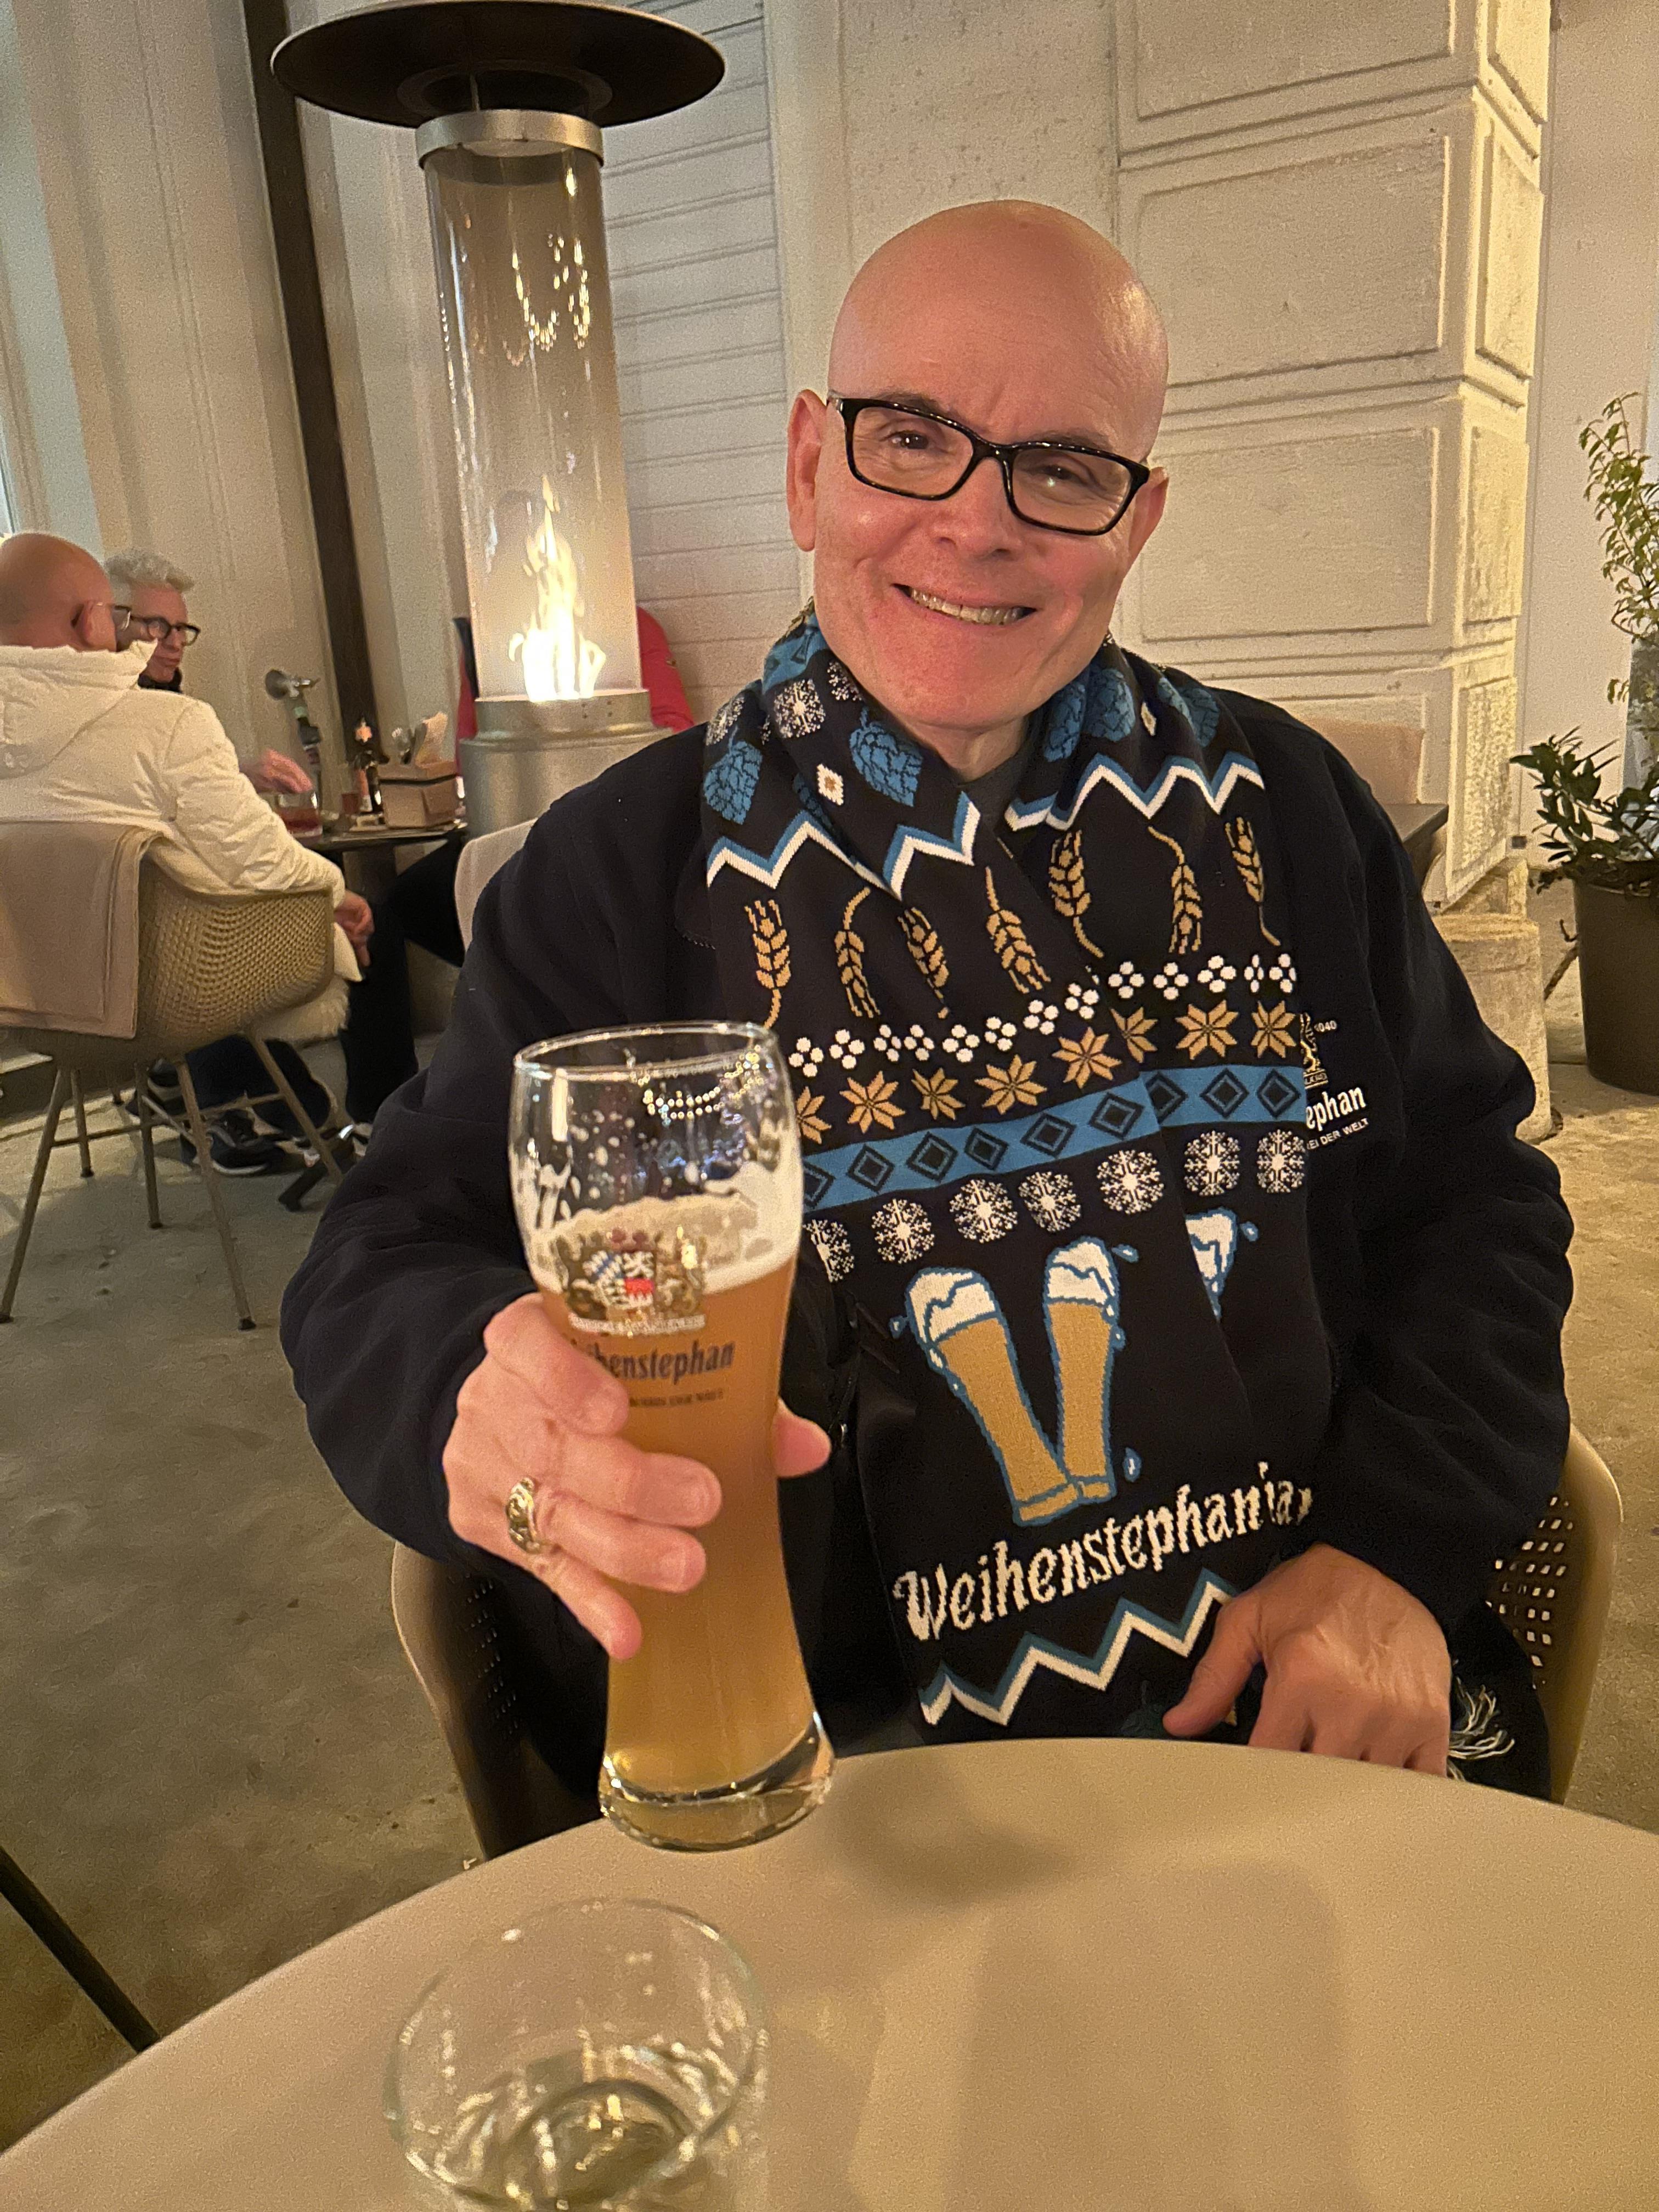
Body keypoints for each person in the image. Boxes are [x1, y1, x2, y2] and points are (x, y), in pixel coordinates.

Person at [283, 203, 1572, 1802]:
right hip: (822, 1779)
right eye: (915, 439)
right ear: (810, 465)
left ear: (1137, 515)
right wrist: (462, 1385)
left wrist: (1396, 1552)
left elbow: (1481, 1202)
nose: (979, 527)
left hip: (1296, 1721)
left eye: (1063, 467)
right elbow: (386, 1251)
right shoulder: (617, 873)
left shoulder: (1290, 811)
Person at [0, 532, 370, 1172]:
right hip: (168, 991)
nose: (165, 639)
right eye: (141, 621)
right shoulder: (166, 723)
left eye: (179, 627)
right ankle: (374, 1122)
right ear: (97, 621)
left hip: (36, 1004)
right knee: (362, 920)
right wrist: (338, 893)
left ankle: (224, 1106)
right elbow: (258, 860)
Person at [338, 608, 696, 1126]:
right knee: (398, 907)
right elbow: (470, 743)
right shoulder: (483, 638)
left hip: (604, 831)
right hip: (507, 835)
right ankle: (379, 1108)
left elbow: (673, 728)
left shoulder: (626, 625)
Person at [104, 547, 311, 801]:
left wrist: (239, 775)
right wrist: (236, 777)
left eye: (180, 628)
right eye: (157, 626)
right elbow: (143, 791)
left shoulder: (177, 704)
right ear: (113, 623)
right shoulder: (101, 707)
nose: (176, 642)